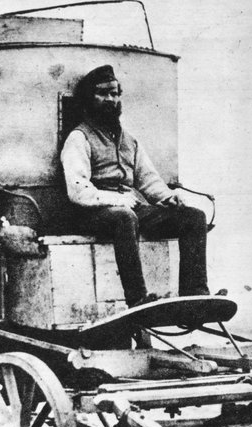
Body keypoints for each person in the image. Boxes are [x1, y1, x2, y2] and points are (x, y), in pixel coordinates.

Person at [60, 65, 210, 307]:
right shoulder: (79, 138)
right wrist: (115, 200)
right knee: (125, 217)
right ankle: (137, 299)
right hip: (91, 213)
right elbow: (78, 189)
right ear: (89, 99)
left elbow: (147, 179)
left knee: (193, 217)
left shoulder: (129, 140)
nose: (110, 99)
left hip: (129, 208)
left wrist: (167, 197)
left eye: (115, 93)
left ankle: (195, 294)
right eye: (103, 93)